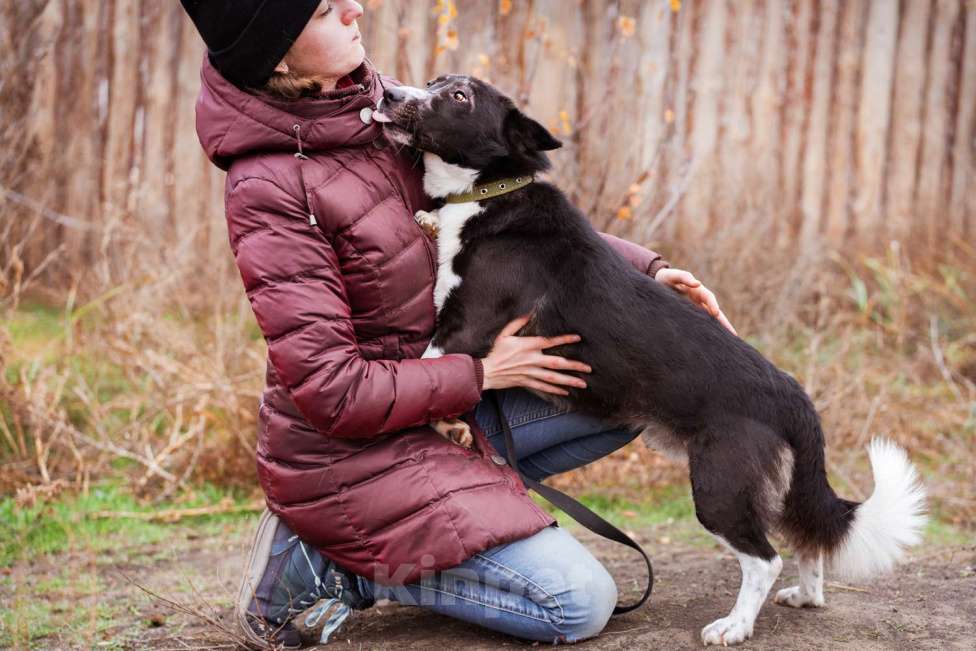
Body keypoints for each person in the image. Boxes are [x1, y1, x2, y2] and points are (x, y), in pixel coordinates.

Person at [181, 1, 737, 647]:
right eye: (326, 10)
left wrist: (648, 272)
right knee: (576, 604)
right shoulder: (271, 186)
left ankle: (466, 503)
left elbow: (504, 217)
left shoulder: (382, 110)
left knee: (648, 385)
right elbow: (330, 390)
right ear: (277, 53)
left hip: (439, 407)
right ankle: (338, 565)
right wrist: (478, 372)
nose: (354, 9)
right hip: (351, 455)